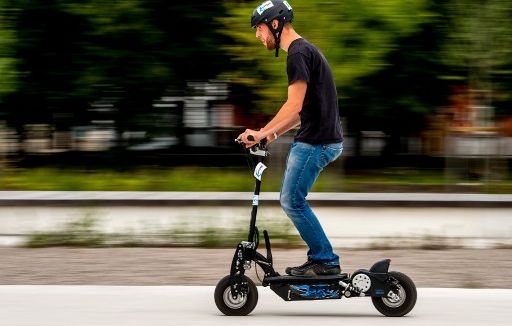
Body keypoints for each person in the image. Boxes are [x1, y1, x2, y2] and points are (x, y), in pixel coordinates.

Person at [237, 0, 344, 276]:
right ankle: (323, 259)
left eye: (258, 29)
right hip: (321, 138)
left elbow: (293, 106)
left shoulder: (297, 53)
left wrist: (260, 132)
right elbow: (300, 113)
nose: (257, 36)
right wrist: (269, 135)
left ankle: (325, 260)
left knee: (291, 200)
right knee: (293, 199)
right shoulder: (305, 51)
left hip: (315, 141)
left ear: (275, 24)